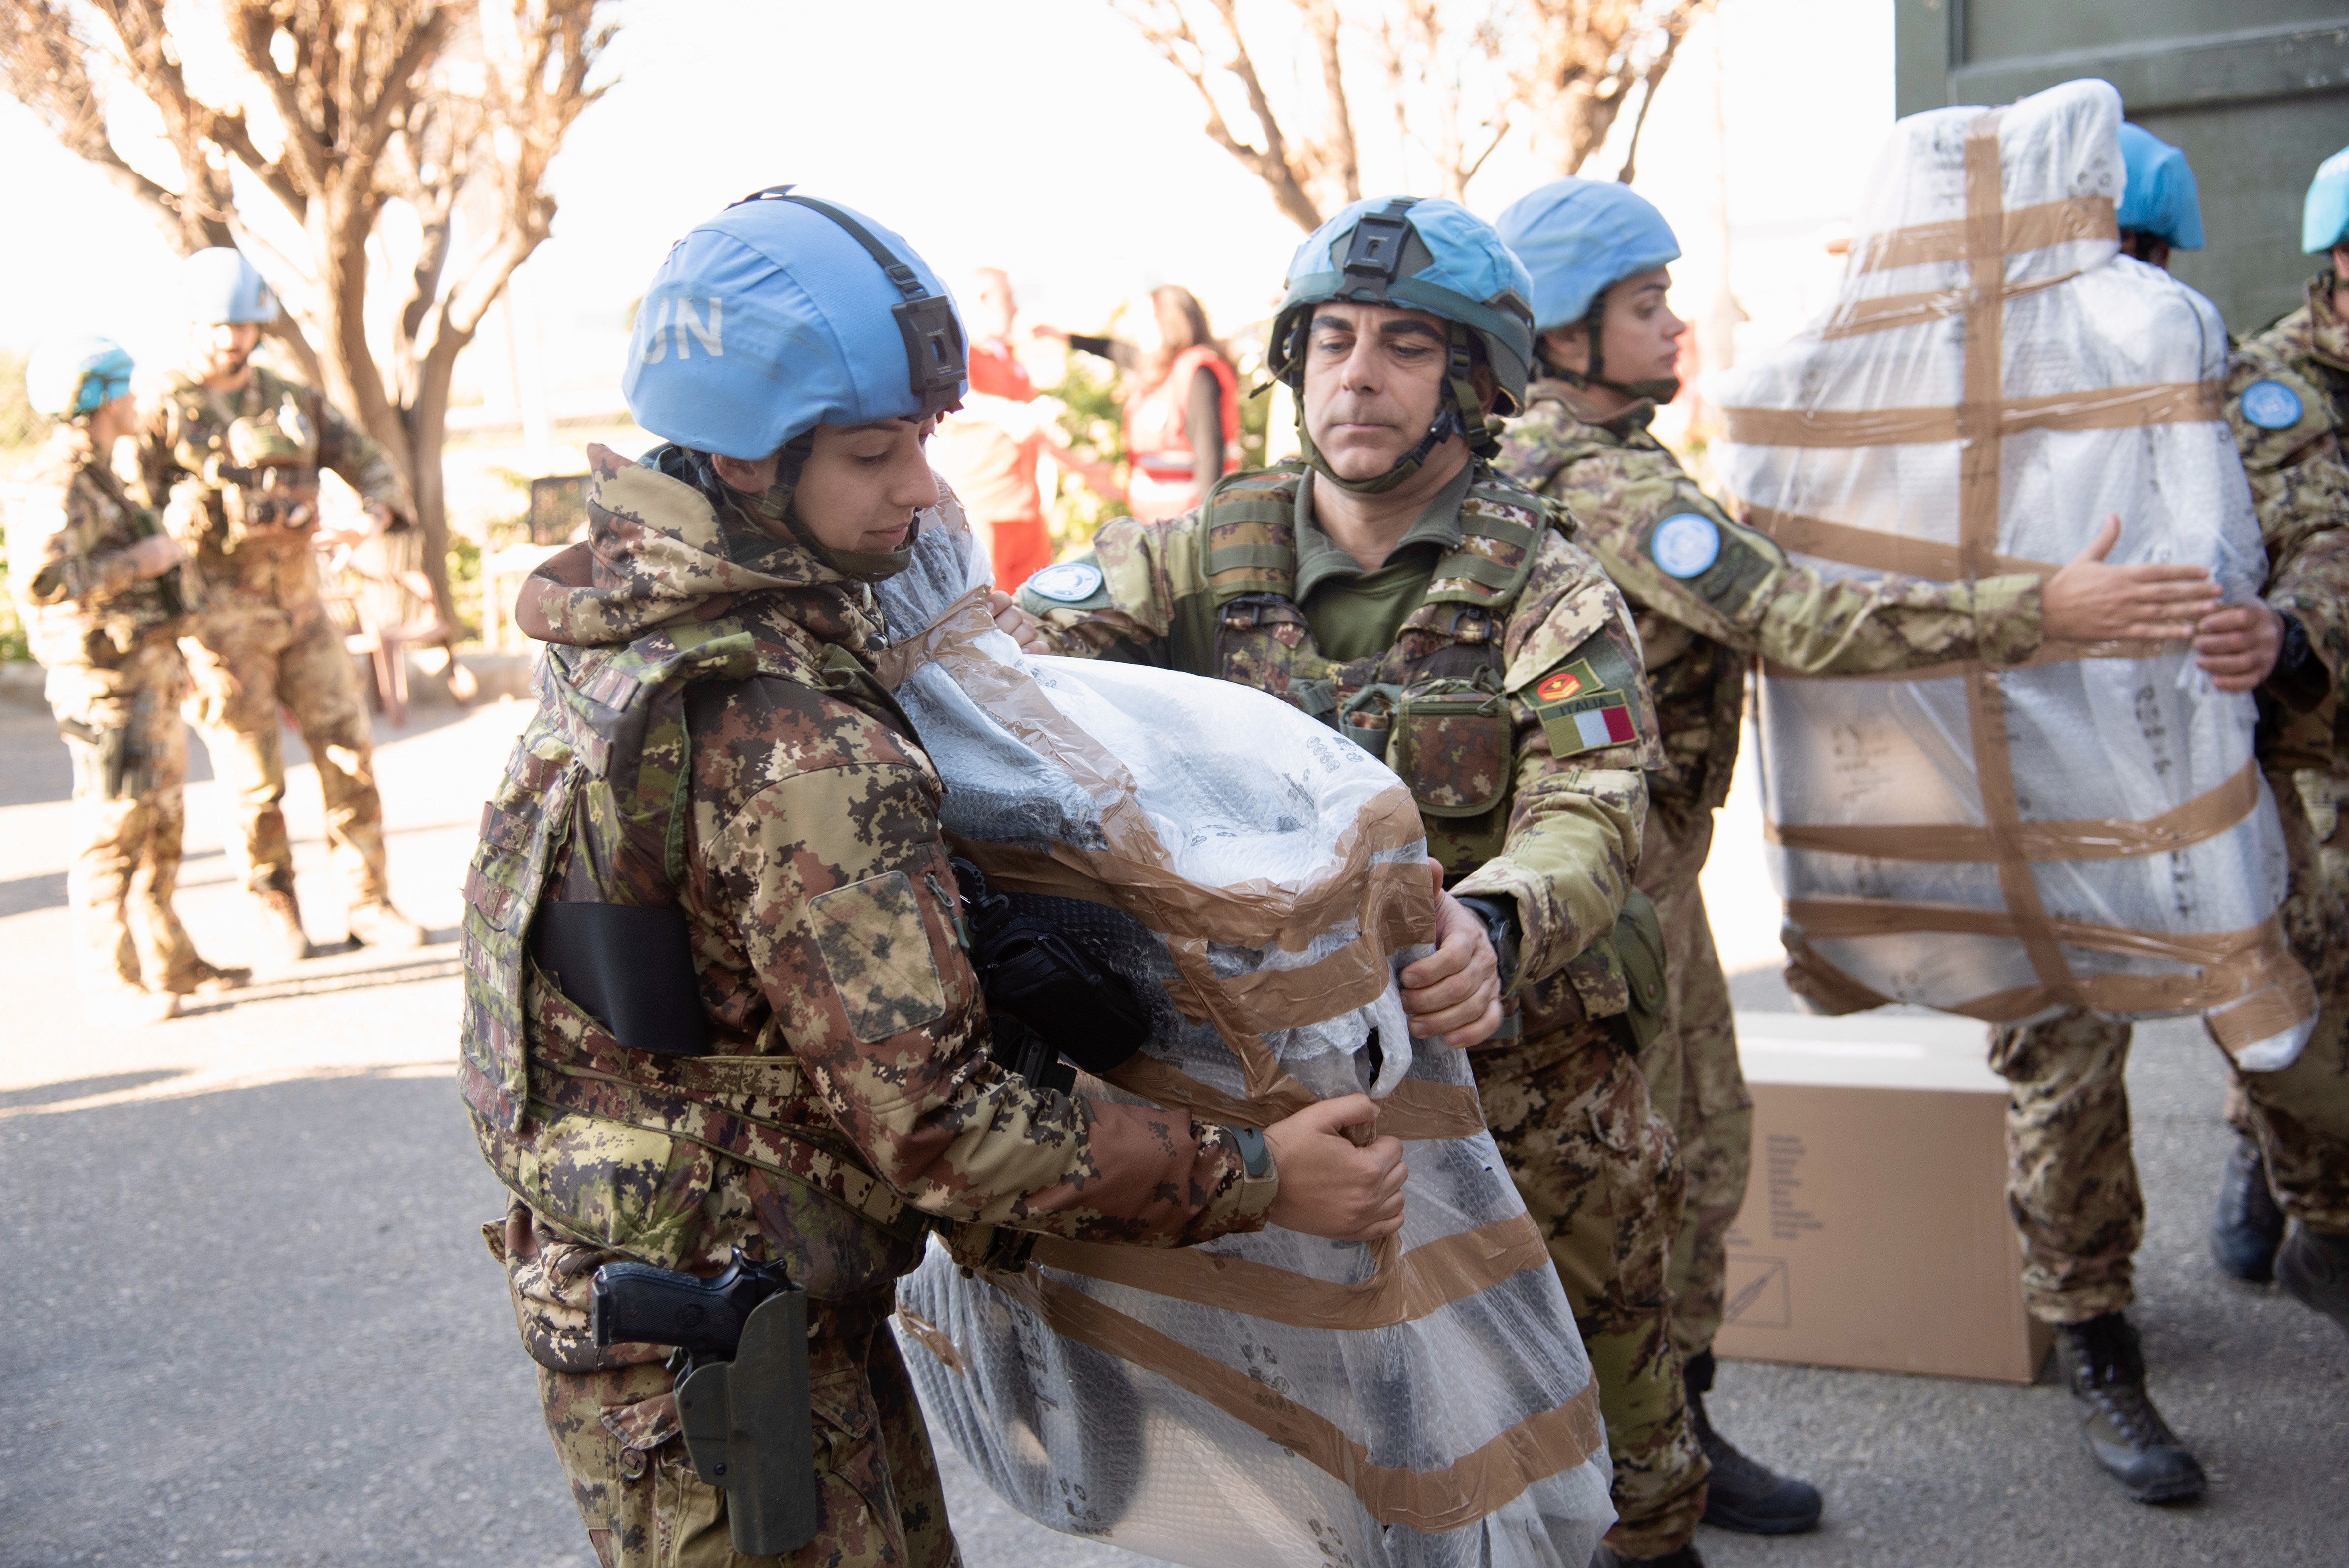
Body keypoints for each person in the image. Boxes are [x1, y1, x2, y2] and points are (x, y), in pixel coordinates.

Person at [458, 188, 1419, 1568]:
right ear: (741, 464)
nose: (920, 485)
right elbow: (943, 1125)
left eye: (919, 439)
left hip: (676, 1298)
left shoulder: (629, 623)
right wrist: (1258, 1174)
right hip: (720, 1345)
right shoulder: (790, 741)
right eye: (872, 453)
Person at [1492, 174, 2235, 1534]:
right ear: (1557, 333)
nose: (1677, 328)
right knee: (1655, 1177)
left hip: (1628, 877)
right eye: (1646, 305)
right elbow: (1794, 615)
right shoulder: (1592, 480)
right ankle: (1632, 1467)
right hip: (1606, 899)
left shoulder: (1586, 463)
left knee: (1695, 1153)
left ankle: (1669, 1442)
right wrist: (2039, 608)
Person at [1010, 195, 1706, 1566]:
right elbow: (1019, 676)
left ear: (1476, 384)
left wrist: (1497, 922)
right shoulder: (1204, 552)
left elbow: (1590, 807)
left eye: (1402, 346)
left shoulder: (1545, 586)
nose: (1356, 375)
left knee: (1618, 1439)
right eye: (1330, 340)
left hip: (1526, 1086)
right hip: (1303, 1093)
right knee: (1348, 1437)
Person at [1904, 127, 2349, 1506]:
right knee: (2063, 1069)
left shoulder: (2204, 386)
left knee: (2287, 1008)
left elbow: (2303, 547)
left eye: (2141, 265)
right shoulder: (1948, 388)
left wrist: (2278, 640)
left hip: (2201, 767)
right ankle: (2095, 1334)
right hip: (2033, 784)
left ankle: (2311, 1220)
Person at [137, 248, 426, 966]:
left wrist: (375, 515)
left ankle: (367, 901)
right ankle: (276, 906)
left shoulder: (291, 399)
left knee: (349, 753)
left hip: (303, 611)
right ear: (193, 325)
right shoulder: (162, 410)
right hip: (218, 628)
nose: (229, 340)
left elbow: (370, 460)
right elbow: (130, 514)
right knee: (253, 777)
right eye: (215, 326)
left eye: (240, 325)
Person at [8, 337, 248, 1026]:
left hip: (145, 676)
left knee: (162, 821)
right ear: (100, 399)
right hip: (104, 686)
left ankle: (170, 959)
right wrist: (139, 561)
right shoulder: (58, 483)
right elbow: (43, 581)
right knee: (112, 827)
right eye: (127, 390)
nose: (138, 401)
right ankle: (109, 979)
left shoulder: (101, 473)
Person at [1035, 284, 1239, 521]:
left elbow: (1209, 452)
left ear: (1170, 321)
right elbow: (1114, 350)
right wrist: (1063, 337)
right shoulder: (1161, 366)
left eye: (1147, 320)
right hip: (1158, 522)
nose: (1138, 329)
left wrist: (1207, 524)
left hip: (1189, 523)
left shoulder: (1199, 373)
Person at [926, 267, 1056, 588]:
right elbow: (954, 396)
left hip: (1026, 507)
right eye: (1008, 299)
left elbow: (1033, 425)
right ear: (983, 300)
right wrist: (1006, 412)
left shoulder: (1010, 356)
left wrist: (1086, 468)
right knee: (991, 604)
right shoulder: (958, 355)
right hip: (984, 507)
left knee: (1038, 603)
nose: (1015, 308)